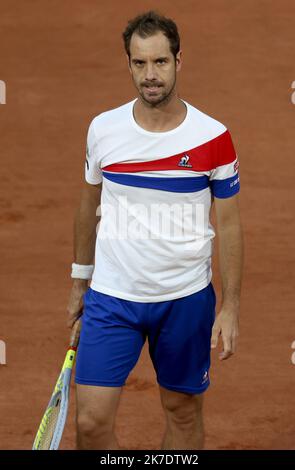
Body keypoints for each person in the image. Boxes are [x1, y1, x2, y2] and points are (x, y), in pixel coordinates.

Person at [67, 10, 244, 451]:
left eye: (160, 62)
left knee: (182, 414)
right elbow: (89, 203)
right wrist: (79, 279)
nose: (150, 75)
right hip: (112, 297)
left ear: (178, 61)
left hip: (185, 298)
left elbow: (229, 223)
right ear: (128, 64)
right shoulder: (103, 129)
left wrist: (231, 307)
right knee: (89, 422)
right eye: (140, 63)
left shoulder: (213, 137)